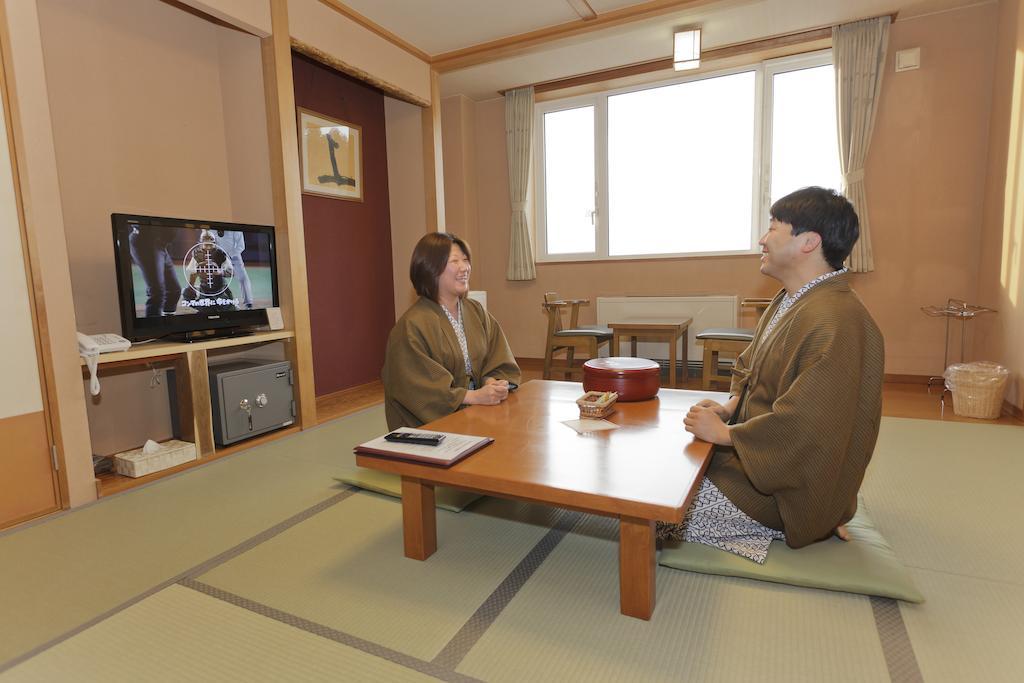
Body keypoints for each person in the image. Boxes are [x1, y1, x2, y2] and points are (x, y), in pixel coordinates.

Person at [658, 186, 884, 563]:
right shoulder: (793, 298)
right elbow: (751, 367)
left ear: (808, 242)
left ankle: (807, 522)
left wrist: (727, 435)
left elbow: (809, 425)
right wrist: (730, 407)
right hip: (752, 459)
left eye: (774, 228)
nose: (763, 239)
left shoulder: (838, 320)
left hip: (780, 492)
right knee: (660, 467)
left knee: (655, 516)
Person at [382, 232, 521, 430]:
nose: (464, 267)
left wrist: (492, 383)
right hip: (429, 430)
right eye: (454, 261)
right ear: (430, 268)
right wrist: (473, 396)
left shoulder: (476, 311)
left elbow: (497, 356)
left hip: (476, 414)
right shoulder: (411, 326)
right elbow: (419, 388)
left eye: (465, 260)